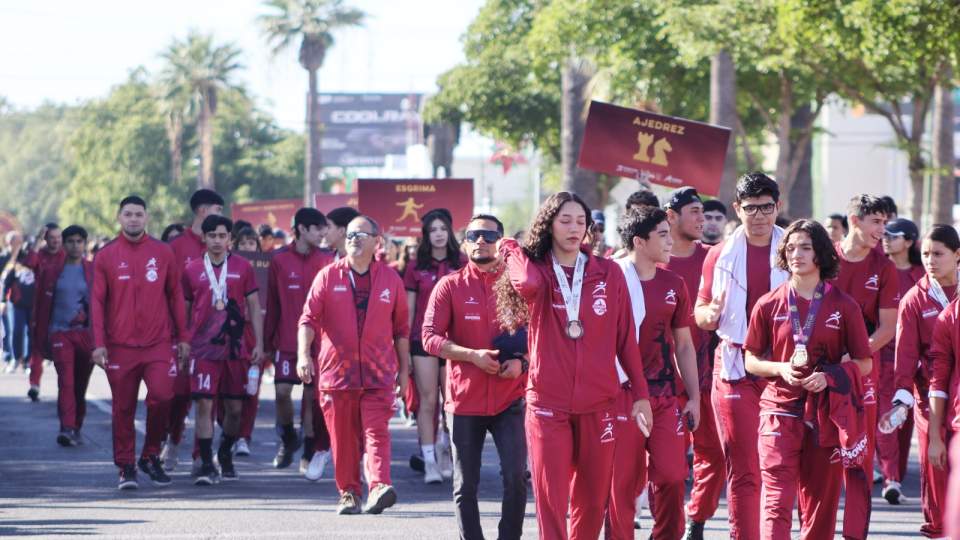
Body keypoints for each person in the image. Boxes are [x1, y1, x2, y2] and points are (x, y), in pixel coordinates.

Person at [495, 191, 652, 539]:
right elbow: (526, 283)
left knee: (593, 500)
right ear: (548, 225)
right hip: (548, 403)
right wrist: (511, 249)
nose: (574, 228)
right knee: (551, 499)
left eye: (580, 221)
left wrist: (640, 395)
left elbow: (626, 338)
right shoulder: (537, 270)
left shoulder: (607, 272)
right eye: (564, 220)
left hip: (600, 403)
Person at [743, 219, 873, 539]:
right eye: (790, 248)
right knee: (776, 500)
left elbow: (865, 362)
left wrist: (830, 377)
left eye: (805, 247)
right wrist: (780, 369)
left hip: (824, 416)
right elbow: (751, 360)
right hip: (778, 412)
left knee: (820, 506)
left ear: (821, 254)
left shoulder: (844, 305)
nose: (796, 254)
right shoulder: (769, 303)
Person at [421, 213, 527, 540]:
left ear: (502, 242)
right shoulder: (449, 286)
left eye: (489, 235)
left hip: (509, 397)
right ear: (465, 243)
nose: (481, 241)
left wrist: (523, 362)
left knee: (515, 478)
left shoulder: (518, 284)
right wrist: (471, 356)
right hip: (464, 401)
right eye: (474, 235)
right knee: (465, 485)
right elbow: (429, 337)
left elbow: (541, 335)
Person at [694, 172, 788, 540]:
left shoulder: (794, 249)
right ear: (738, 209)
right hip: (735, 365)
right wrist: (711, 314)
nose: (760, 215)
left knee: (778, 467)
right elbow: (701, 314)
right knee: (745, 468)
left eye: (767, 207)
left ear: (777, 207)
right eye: (751, 208)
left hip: (782, 368)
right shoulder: (719, 254)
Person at [297, 215, 410, 515]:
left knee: (377, 432)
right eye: (349, 235)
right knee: (344, 440)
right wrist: (302, 355)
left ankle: (379, 486)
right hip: (337, 375)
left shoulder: (391, 280)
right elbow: (308, 320)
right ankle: (348, 493)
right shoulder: (327, 276)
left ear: (377, 241)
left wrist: (405, 372)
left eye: (361, 234)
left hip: (378, 373)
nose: (354, 239)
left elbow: (401, 331)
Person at [607, 206, 700, 540]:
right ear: (639, 241)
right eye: (662, 234)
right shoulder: (611, 279)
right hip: (624, 395)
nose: (670, 240)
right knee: (622, 484)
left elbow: (685, 345)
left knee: (673, 476)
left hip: (664, 395)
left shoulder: (674, 283)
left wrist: (695, 398)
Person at [91, 195, 189, 490]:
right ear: (119, 218)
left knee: (162, 397)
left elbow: (175, 295)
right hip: (120, 346)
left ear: (147, 218)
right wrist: (98, 343)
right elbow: (97, 302)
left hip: (158, 343)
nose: (133, 219)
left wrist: (183, 336)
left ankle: (149, 455)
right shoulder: (106, 256)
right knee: (123, 408)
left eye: (138, 214)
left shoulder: (163, 252)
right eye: (128, 214)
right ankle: (126, 467)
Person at [884, 225, 960, 537]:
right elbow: (905, 355)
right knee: (936, 469)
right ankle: (939, 529)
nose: (930, 260)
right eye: (926, 254)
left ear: (957, 256)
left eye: (938, 254)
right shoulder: (915, 299)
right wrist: (902, 396)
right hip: (930, 397)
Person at [833, 194, 897, 540]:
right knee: (820, 458)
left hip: (861, 375)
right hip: (821, 374)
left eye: (885, 223)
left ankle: (855, 534)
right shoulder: (826, 257)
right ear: (854, 220)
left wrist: (854, 360)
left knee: (859, 457)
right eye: (875, 222)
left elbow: (888, 327)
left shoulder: (883, 266)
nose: (882, 230)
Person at [181, 215, 263, 484]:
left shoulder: (243, 267)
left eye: (222, 236)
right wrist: (183, 342)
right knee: (204, 404)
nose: (217, 241)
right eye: (212, 236)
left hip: (236, 348)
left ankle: (225, 452)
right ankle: (206, 463)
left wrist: (259, 343)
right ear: (203, 238)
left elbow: (253, 307)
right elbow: (186, 310)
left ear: (230, 239)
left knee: (234, 409)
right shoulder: (192, 269)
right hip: (203, 349)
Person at [660, 187, 723, 539]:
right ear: (671, 216)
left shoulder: (716, 257)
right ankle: (665, 526)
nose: (703, 219)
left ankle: (696, 518)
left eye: (705, 212)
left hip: (710, 375)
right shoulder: (654, 260)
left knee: (715, 455)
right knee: (666, 465)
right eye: (694, 212)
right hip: (662, 380)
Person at [264, 208, 334, 478]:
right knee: (282, 393)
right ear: (302, 229)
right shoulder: (279, 260)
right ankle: (288, 436)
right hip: (285, 339)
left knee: (311, 400)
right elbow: (272, 304)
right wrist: (268, 341)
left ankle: (307, 450)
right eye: (318, 229)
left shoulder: (327, 260)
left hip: (318, 344)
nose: (323, 234)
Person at [161, 189, 223, 473]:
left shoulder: (222, 245)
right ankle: (173, 441)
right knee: (178, 397)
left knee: (204, 399)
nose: (220, 219)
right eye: (217, 210)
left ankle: (201, 456)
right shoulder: (176, 246)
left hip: (213, 341)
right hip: (181, 338)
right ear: (202, 211)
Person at [405, 208, 464, 484]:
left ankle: (445, 452)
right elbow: (408, 311)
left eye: (443, 229)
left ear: (449, 231)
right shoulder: (416, 266)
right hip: (422, 342)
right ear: (426, 235)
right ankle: (428, 461)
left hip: (455, 342)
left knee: (451, 404)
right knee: (428, 402)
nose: (439, 234)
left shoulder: (462, 261)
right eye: (433, 230)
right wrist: (403, 351)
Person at [876, 217, 923, 503]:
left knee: (906, 423)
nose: (886, 239)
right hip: (883, 355)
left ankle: (897, 475)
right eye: (884, 234)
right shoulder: (878, 268)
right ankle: (891, 478)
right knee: (887, 415)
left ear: (908, 241)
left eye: (893, 235)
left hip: (919, 360)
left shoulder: (922, 273)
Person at [34, 225, 94, 446]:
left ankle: (76, 426)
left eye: (79, 241)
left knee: (80, 386)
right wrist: (41, 337)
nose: (75, 245)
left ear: (85, 244)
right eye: (70, 241)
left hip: (87, 336)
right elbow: (40, 306)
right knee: (65, 382)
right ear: (64, 244)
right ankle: (67, 428)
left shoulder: (94, 270)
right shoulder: (51, 272)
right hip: (60, 335)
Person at [25, 223, 65, 399]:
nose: (55, 241)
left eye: (58, 238)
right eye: (52, 238)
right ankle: (34, 385)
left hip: (64, 309)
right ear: (46, 239)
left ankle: (66, 386)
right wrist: (36, 241)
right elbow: (28, 263)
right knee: (38, 348)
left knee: (63, 349)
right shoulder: (40, 255)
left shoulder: (68, 255)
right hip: (42, 309)